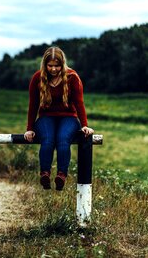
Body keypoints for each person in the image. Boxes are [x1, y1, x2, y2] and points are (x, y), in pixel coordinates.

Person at [24, 46, 94, 191]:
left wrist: (85, 125)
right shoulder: (37, 78)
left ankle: (61, 175)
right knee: (48, 139)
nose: (54, 69)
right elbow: (33, 105)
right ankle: (44, 174)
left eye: (57, 66)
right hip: (46, 117)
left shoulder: (72, 77)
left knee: (63, 139)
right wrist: (29, 129)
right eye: (50, 66)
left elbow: (79, 103)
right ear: (45, 64)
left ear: (62, 64)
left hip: (68, 117)